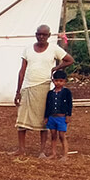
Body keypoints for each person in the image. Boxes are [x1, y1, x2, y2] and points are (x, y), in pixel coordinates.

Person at [14, 24, 75, 157]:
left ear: (48, 36)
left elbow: (69, 60)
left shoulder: (53, 49)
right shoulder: (28, 50)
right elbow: (22, 71)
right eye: (39, 34)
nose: (41, 37)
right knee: (21, 119)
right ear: (36, 35)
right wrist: (18, 91)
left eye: (44, 35)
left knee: (43, 121)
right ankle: (21, 149)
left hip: (43, 87)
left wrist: (56, 68)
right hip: (27, 87)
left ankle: (42, 151)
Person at [45, 70, 73, 161]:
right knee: (53, 135)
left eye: (61, 81)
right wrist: (46, 116)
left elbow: (69, 104)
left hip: (61, 117)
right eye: (56, 81)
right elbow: (48, 105)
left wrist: (68, 115)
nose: (58, 83)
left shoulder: (66, 92)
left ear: (64, 81)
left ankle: (65, 155)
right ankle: (53, 153)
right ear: (53, 81)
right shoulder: (50, 93)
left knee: (62, 135)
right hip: (52, 117)